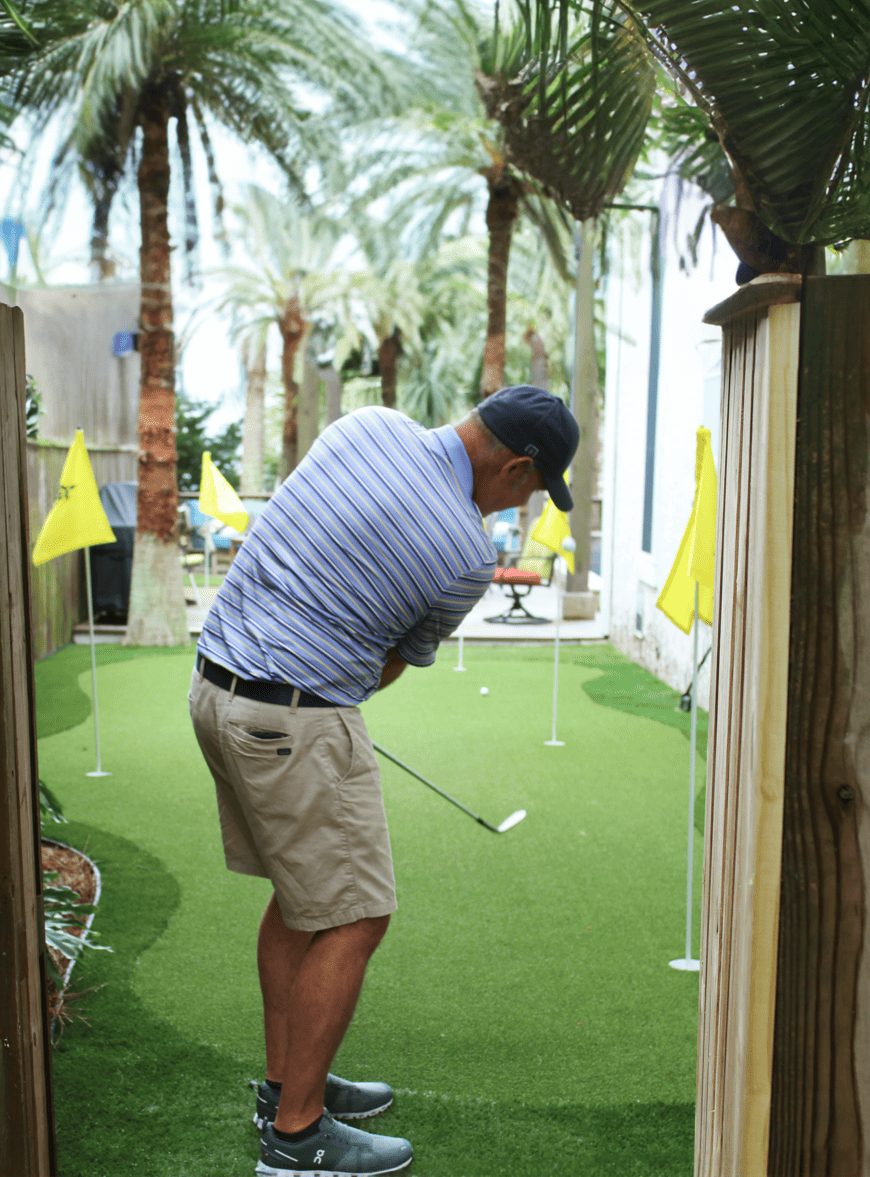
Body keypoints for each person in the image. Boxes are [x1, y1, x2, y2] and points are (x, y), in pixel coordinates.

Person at [188, 385, 579, 1177]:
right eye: (531, 490)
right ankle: (296, 1137)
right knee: (357, 915)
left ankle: (284, 1084)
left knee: (304, 904)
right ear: (515, 464)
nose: (521, 506)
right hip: (292, 721)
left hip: (213, 689)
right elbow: (384, 668)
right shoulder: (467, 556)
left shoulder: (366, 425)